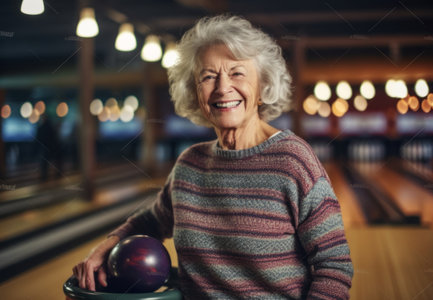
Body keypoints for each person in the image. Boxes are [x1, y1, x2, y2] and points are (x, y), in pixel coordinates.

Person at [73, 15, 353, 299]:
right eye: (208, 76)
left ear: (263, 86)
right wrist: (107, 245)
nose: (222, 88)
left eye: (237, 73)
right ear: (195, 92)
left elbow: (334, 265)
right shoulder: (188, 165)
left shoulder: (293, 161)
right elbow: (150, 221)